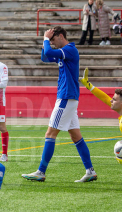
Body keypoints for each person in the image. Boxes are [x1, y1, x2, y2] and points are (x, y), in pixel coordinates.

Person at [21, 26, 97, 183]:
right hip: (69, 97)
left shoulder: (69, 50)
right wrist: (46, 42)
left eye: (54, 40)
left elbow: (49, 52)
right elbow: (45, 57)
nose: (53, 43)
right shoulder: (65, 52)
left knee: (50, 134)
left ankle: (41, 172)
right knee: (76, 136)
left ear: (61, 36)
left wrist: (44, 39)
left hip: (66, 97)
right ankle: (90, 171)